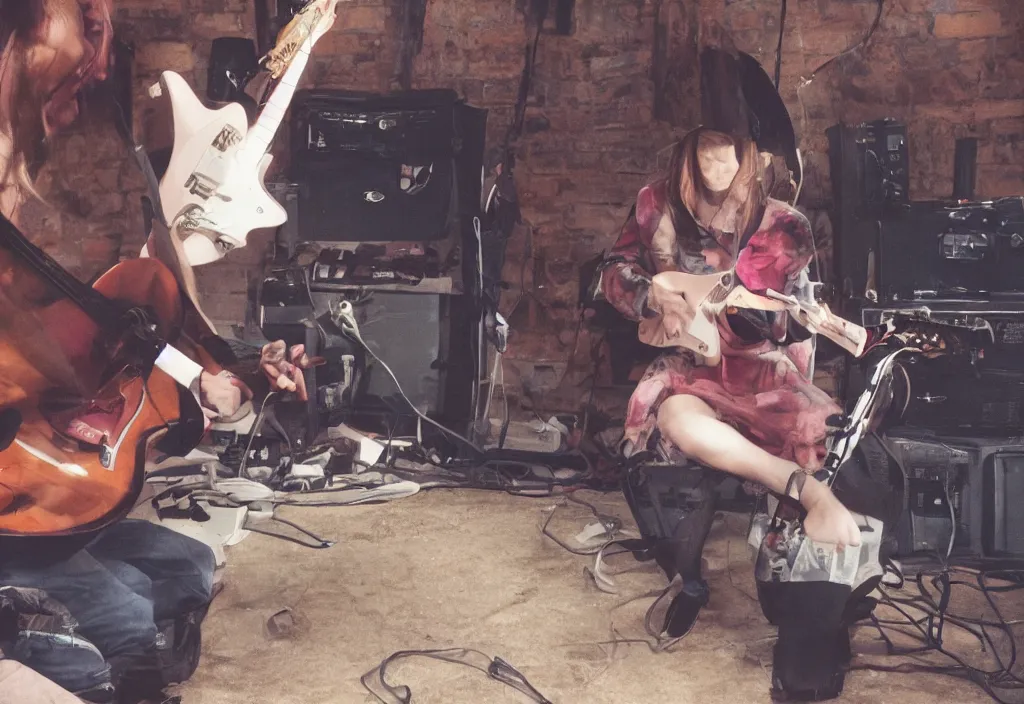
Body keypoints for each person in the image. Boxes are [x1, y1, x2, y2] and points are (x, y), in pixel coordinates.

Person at [0, 1, 310, 700]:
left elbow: (122, 350)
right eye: (86, 21)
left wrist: (234, 380)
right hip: (17, 509)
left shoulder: (41, 233)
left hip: (46, 499)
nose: (100, 57)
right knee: (121, 619)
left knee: (183, 571)